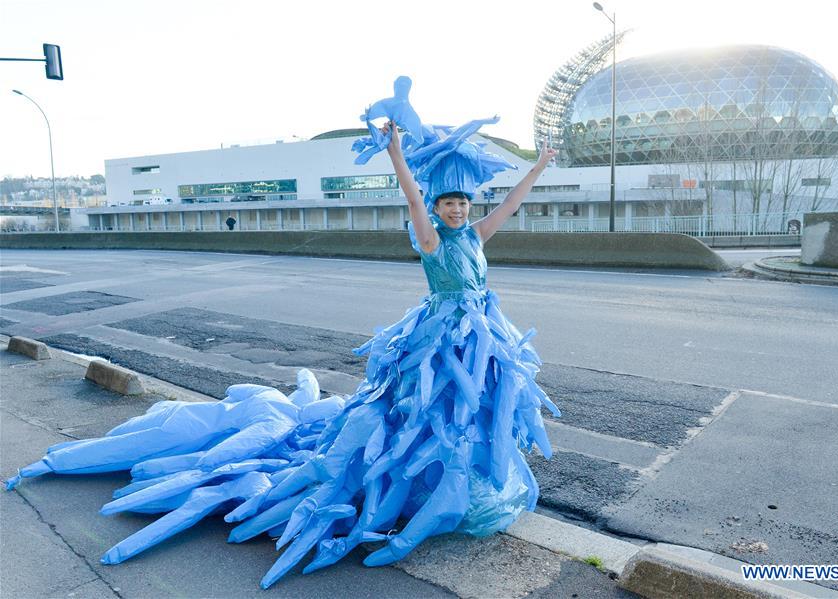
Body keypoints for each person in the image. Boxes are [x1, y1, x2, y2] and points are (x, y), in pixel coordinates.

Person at [4, 77, 561, 589]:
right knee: (426, 412)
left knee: (474, 413)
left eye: (463, 203)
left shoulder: (475, 237)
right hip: (439, 342)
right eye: (449, 203)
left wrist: (538, 167)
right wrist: (395, 152)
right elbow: (412, 198)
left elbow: (510, 205)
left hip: (481, 337)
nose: (458, 209)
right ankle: (419, 488)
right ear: (438, 210)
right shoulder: (433, 239)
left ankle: (465, 486)